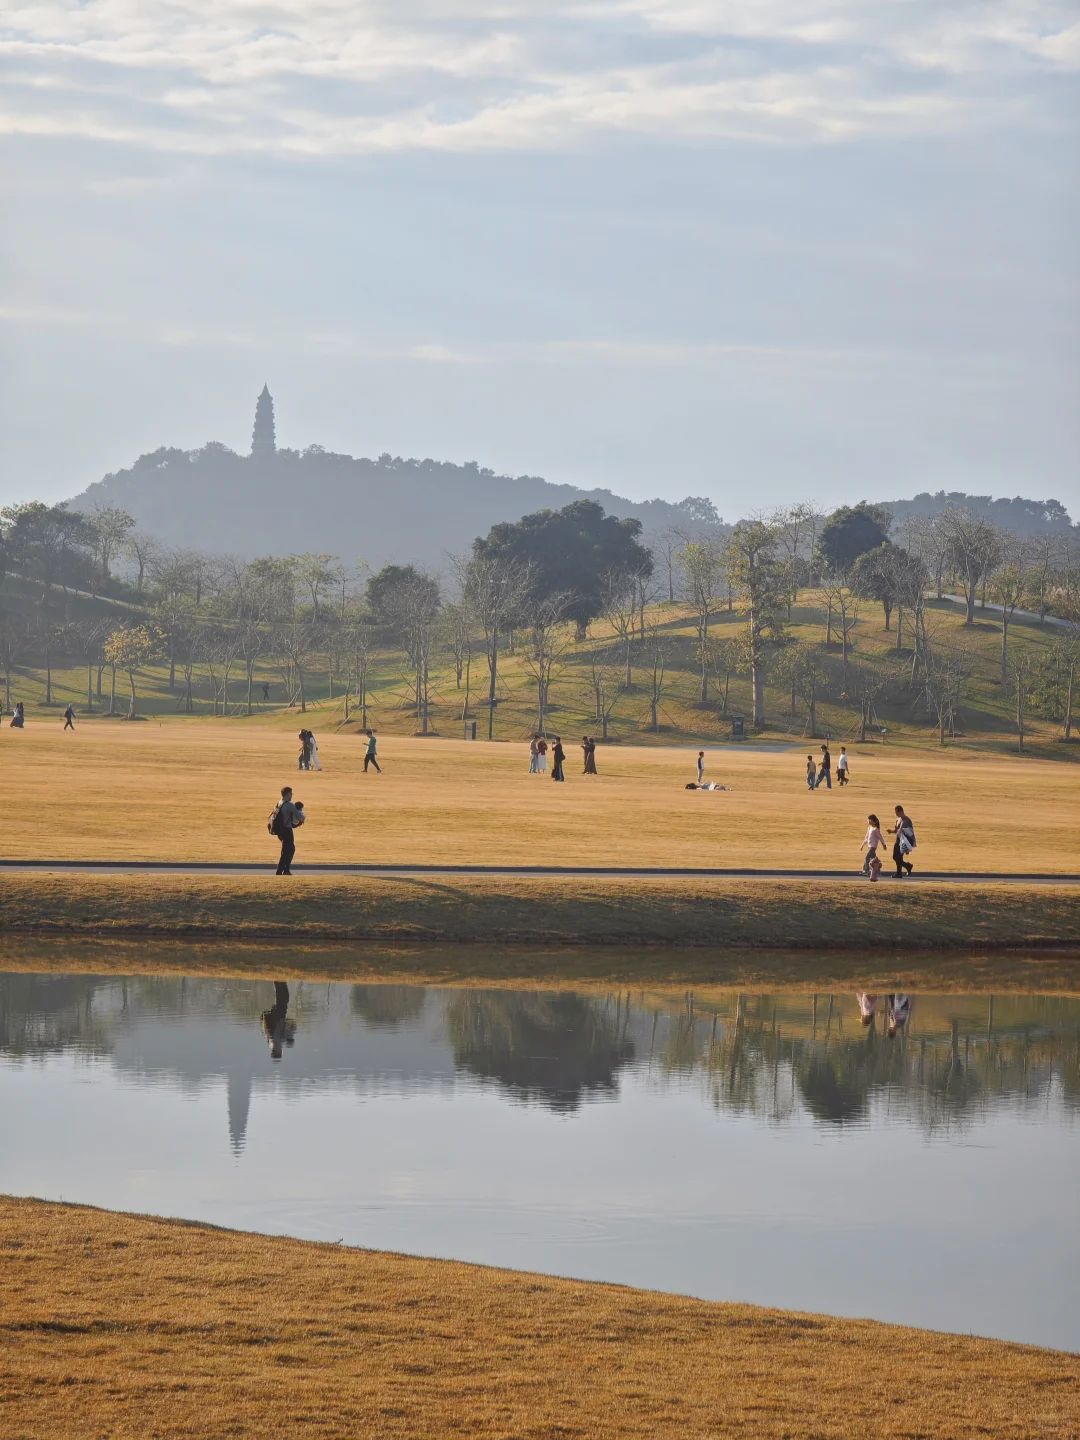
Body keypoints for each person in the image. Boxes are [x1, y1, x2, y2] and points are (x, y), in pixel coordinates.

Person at [268, 786, 304, 876]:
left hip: (279, 830)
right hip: (286, 830)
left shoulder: (279, 803)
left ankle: (285, 870)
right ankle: (281, 871)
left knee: (288, 849)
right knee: (289, 850)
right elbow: (300, 817)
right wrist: (302, 817)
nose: (292, 795)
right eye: (291, 794)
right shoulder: (289, 804)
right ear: (288, 794)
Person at [261, 981, 297, 1060]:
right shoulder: (269, 1042)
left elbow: (293, 1027)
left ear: (279, 1051)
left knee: (284, 997)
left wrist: (290, 1040)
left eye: (280, 1052)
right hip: (274, 1016)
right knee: (282, 997)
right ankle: (278, 980)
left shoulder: (279, 1041)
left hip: (279, 1017)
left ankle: (278, 980)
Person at [890, 805, 916, 877]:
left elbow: (910, 833)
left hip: (904, 841)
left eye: (897, 812)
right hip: (898, 840)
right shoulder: (898, 820)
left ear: (901, 811)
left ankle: (899, 873)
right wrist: (891, 831)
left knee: (899, 857)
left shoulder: (907, 821)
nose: (896, 814)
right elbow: (897, 831)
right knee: (895, 857)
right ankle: (908, 866)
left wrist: (908, 846)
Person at [860, 813, 884, 880]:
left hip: (873, 847)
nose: (868, 821)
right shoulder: (869, 828)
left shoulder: (875, 829)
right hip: (870, 846)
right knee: (874, 859)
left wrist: (884, 844)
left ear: (872, 821)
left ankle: (866, 871)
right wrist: (862, 845)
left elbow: (880, 837)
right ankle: (878, 872)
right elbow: (866, 837)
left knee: (867, 857)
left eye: (869, 820)